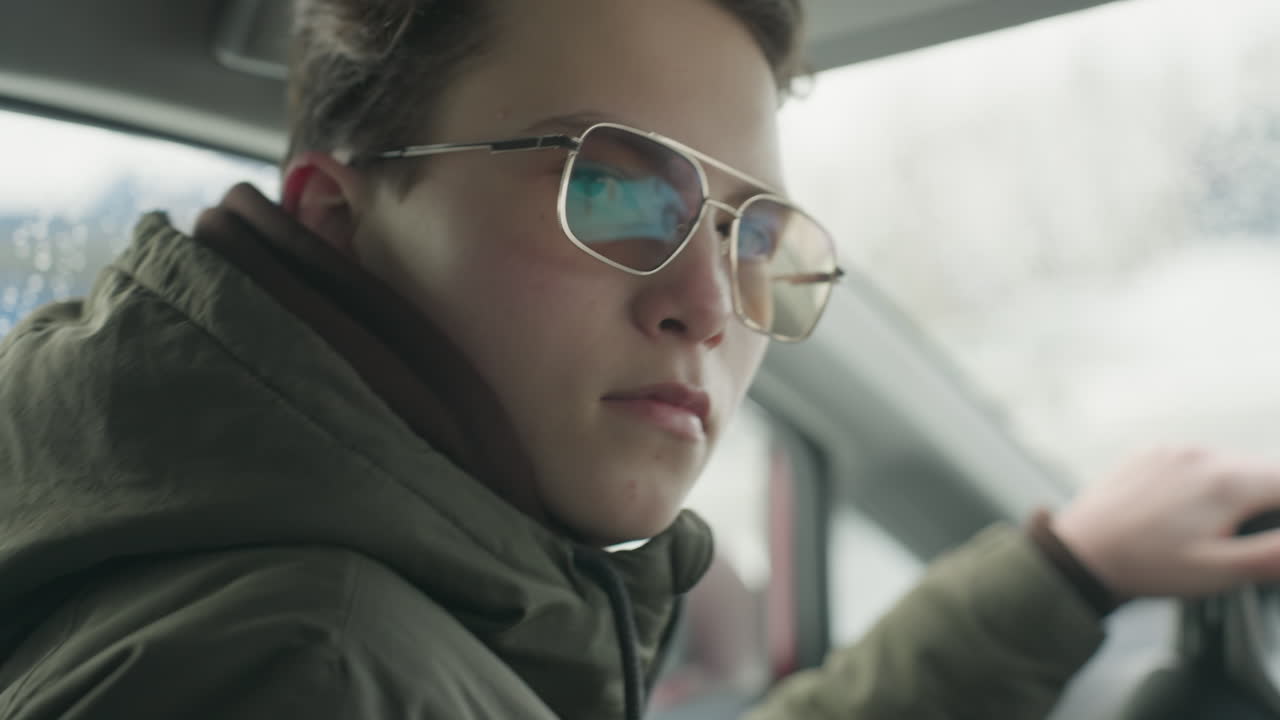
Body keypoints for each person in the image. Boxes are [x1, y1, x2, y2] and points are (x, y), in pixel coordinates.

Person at [1, 1, 1279, 718]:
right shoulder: (305, 673)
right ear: (340, 219)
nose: (708, 305)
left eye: (753, 234)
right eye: (611, 193)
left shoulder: (376, 620)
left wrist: (1063, 570)